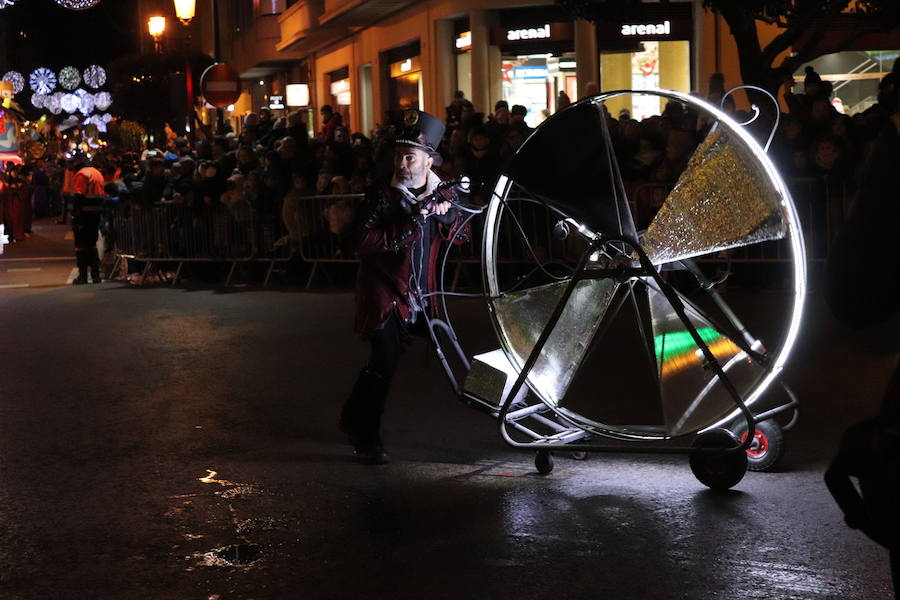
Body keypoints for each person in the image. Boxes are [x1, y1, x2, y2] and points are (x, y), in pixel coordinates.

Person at [339, 109, 469, 465]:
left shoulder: (442, 191)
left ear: (429, 162)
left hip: (421, 297)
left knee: (452, 354)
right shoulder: (381, 196)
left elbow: (464, 233)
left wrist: (445, 213)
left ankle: (352, 417)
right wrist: (411, 224)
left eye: (410, 156)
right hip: (383, 294)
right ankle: (366, 436)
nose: (402, 163)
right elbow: (358, 240)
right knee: (385, 360)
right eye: (398, 155)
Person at [70, 158, 106, 284]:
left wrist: (75, 212)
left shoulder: (81, 174)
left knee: (81, 245)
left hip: (84, 213)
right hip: (96, 213)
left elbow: (79, 195)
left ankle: (83, 275)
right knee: (92, 243)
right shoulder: (97, 173)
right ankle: (95, 275)